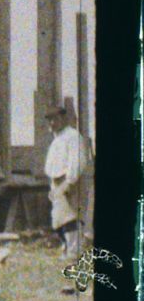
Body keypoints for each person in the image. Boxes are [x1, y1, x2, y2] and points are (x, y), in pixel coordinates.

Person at [45, 103, 89, 275]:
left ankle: (74, 254)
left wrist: (69, 182)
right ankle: (67, 250)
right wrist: (53, 186)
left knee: (70, 218)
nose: (52, 123)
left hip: (70, 182)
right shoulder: (57, 138)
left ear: (64, 118)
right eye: (49, 120)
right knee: (58, 220)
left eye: (55, 119)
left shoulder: (72, 136)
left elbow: (77, 162)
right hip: (57, 182)